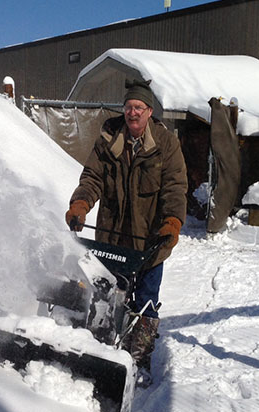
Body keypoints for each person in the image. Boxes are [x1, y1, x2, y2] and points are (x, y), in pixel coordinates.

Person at [65, 78, 188, 387]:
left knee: (145, 300)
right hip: (113, 235)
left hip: (150, 239)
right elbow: (93, 176)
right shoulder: (109, 137)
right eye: (129, 107)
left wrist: (172, 222)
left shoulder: (166, 144)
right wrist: (81, 204)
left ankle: (139, 360)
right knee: (105, 291)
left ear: (149, 111)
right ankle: (98, 349)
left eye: (139, 108)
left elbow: (175, 187)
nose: (132, 113)